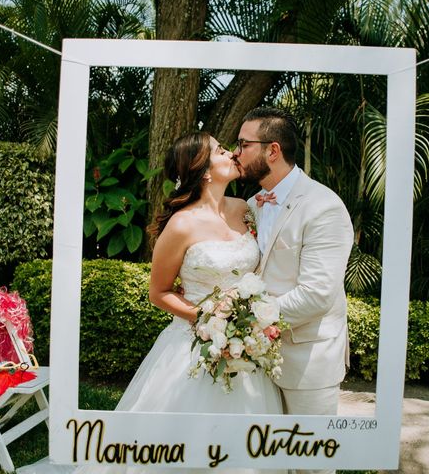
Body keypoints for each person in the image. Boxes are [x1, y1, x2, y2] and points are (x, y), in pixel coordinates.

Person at [17, 132, 283, 474]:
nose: (232, 152)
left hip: (245, 347)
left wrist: (242, 326)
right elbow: (158, 292)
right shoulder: (181, 224)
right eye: (220, 150)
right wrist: (208, 319)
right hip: (195, 344)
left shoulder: (244, 209)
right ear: (202, 170)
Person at [233, 107, 353, 474]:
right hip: (253, 363)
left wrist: (244, 324)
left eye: (242, 144)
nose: (235, 152)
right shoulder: (249, 206)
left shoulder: (323, 206)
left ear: (272, 150)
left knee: (310, 464)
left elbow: (317, 294)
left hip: (307, 359)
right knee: (263, 460)